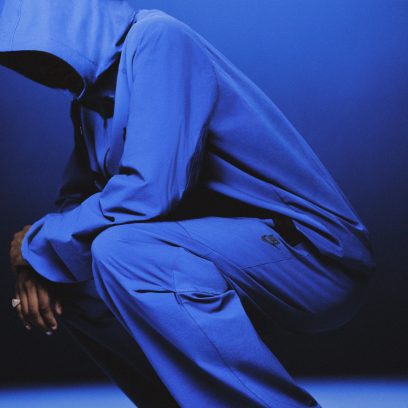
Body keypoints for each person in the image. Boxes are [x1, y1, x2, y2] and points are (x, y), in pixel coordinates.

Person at [3, 1, 376, 407]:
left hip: (313, 257)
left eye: (39, 52)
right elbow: (74, 200)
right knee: (70, 274)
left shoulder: (157, 38)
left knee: (119, 251)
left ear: (73, 23)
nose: (38, 71)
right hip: (226, 259)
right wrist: (38, 264)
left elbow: (149, 191)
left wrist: (38, 245)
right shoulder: (88, 102)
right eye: (22, 63)